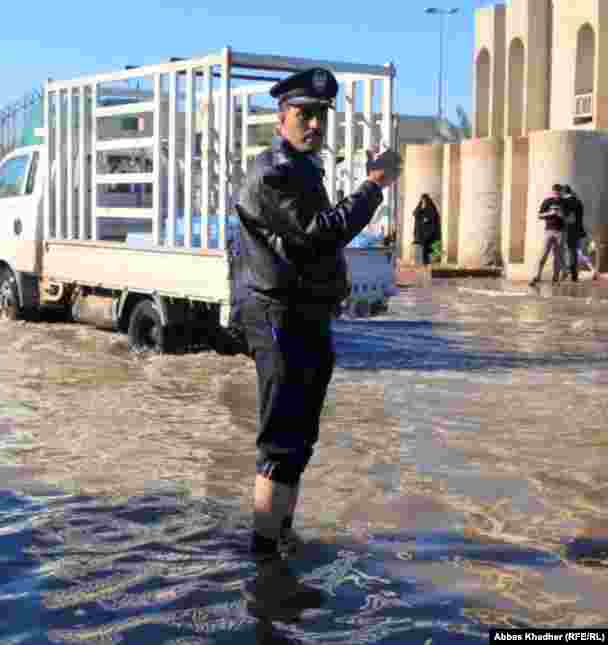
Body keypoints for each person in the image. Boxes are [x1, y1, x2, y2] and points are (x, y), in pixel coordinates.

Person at [229, 67, 400, 613]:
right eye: (304, 114)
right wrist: (373, 186)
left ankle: (280, 538)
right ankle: (264, 559)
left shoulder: (302, 168)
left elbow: (317, 238)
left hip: (305, 315)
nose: (313, 123)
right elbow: (317, 233)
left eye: (320, 115)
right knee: (281, 437)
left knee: (300, 437)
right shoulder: (275, 172)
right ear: (281, 117)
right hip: (280, 316)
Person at [530, 186, 566, 286]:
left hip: (560, 231)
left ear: (561, 192)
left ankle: (555, 278)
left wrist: (561, 215)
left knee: (557, 256)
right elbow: (539, 215)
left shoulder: (565, 203)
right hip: (549, 231)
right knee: (543, 254)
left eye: (558, 192)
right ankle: (537, 276)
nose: (557, 194)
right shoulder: (547, 201)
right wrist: (550, 213)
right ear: (552, 192)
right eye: (555, 192)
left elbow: (570, 218)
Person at [560, 185, 586, 282]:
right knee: (574, 252)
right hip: (578, 230)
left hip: (568, 229)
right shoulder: (578, 201)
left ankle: (567, 272)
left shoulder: (565, 201)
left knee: (568, 251)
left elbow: (568, 216)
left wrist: (560, 214)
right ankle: (574, 275)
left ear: (564, 192)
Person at [411, 194, 441, 265]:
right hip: (421, 234)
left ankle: (429, 263)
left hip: (430, 234)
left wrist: (427, 219)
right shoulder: (419, 209)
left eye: (424, 201)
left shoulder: (431, 208)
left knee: (429, 250)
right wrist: (421, 211)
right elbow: (415, 214)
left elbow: (433, 218)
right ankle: (421, 263)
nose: (423, 202)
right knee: (421, 250)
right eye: (422, 201)